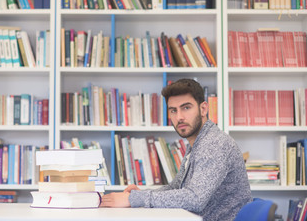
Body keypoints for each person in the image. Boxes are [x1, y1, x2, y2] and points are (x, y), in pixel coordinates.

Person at [100, 78, 252, 221]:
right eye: (173, 110)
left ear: (203, 108)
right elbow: (176, 187)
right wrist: (141, 194)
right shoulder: (197, 142)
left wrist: (133, 199)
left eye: (186, 108)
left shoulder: (214, 144)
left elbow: (195, 199)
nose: (179, 117)